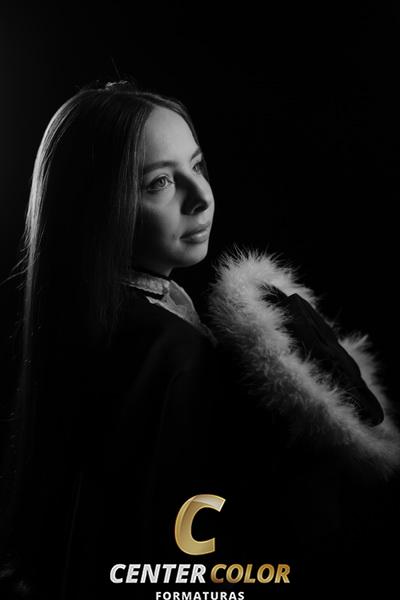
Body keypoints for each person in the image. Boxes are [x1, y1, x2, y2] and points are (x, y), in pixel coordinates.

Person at [0, 79, 399, 599]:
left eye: (197, 165)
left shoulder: (103, 322)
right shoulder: (162, 349)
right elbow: (169, 554)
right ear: (94, 207)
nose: (200, 197)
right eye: (159, 183)